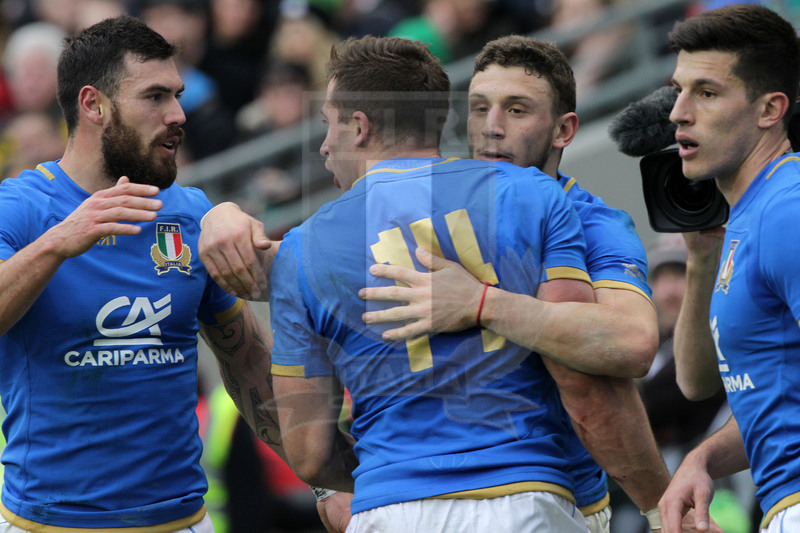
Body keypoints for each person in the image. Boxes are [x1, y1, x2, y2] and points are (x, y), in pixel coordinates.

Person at [271, 34, 605, 531]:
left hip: (389, 506)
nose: (323, 145)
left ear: (359, 127)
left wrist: (390, 479)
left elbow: (309, 454)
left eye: (329, 125)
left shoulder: (300, 248)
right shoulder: (533, 192)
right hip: (525, 494)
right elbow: (583, 368)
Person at [358, 35, 676, 532]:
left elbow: (631, 343)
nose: (491, 128)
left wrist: (483, 304)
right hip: (413, 498)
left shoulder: (594, 222)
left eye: (517, 110)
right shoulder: (421, 210)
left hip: (546, 494)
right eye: (479, 108)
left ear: (564, 130)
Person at [0, 15, 282, 531]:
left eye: (176, 94)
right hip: (49, 522)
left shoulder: (189, 214)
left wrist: (326, 482)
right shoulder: (18, 210)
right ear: (93, 105)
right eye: (155, 96)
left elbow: (248, 360)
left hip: (183, 520)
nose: (177, 113)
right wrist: (58, 243)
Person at [655, 5, 800, 533]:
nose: (678, 113)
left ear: (769, 110)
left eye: (707, 93)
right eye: (679, 89)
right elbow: (708, 384)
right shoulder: (747, 216)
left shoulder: (788, 208)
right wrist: (704, 459)